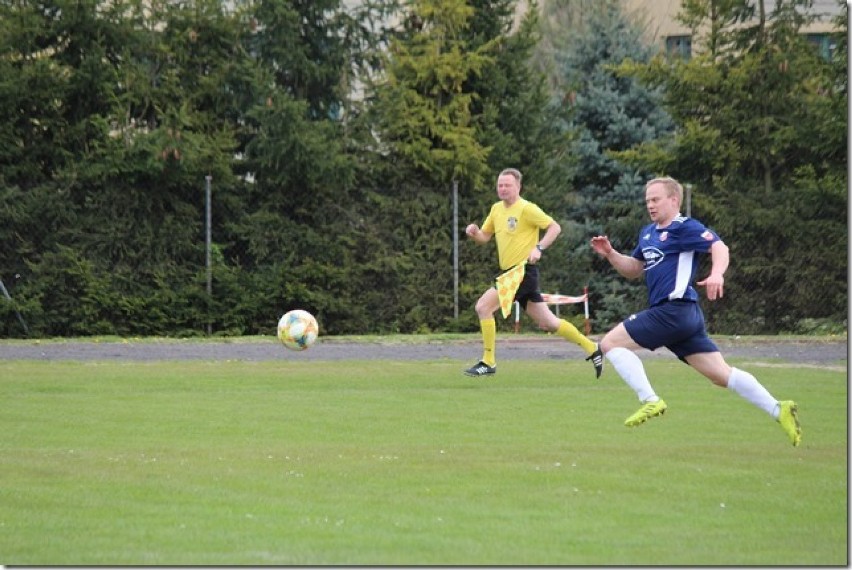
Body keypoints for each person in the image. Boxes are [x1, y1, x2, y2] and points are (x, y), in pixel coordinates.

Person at [589, 176, 801, 446]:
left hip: (673, 310)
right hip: (683, 316)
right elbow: (634, 269)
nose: (650, 205)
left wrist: (717, 274)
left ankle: (650, 400)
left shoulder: (684, 227)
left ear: (674, 200)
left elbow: (719, 246)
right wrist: (610, 253)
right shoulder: (648, 232)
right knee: (721, 375)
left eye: (656, 199)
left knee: (609, 343)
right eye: (647, 201)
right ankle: (778, 408)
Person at [463, 168, 603, 378]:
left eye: (507, 185)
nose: (502, 189)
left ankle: (488, 361)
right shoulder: (496, 209)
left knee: (483, 307)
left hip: (521, 272)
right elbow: (485, 237)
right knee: (548, 323)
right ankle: (592, 348)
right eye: (500, 185)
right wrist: (475, 233)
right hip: (512, 272)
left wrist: (539, 248)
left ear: (518, 187)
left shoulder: (527, 209)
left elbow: (554, 227)